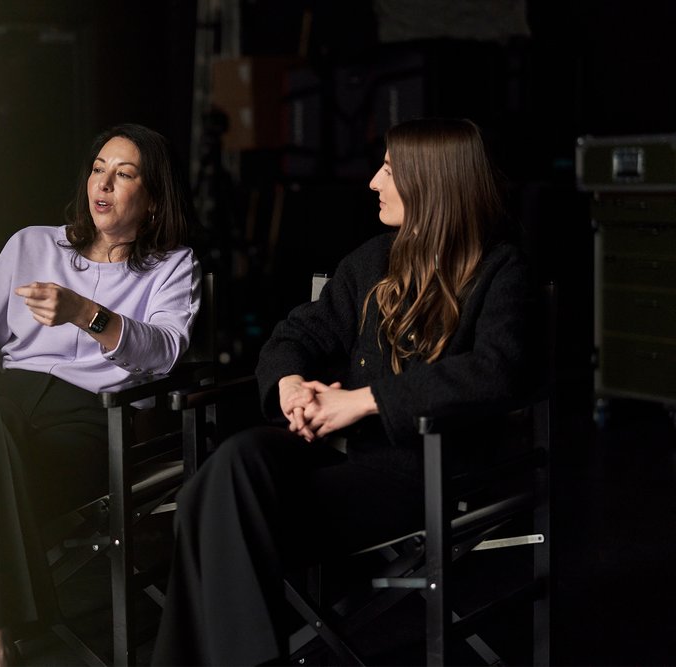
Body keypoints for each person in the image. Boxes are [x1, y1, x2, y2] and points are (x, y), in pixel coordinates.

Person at [151, 118, 534, 666]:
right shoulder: (374, 258)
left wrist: (362, 400)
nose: (374, 182)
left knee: (204, 504)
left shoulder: (500, 269)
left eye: (389, 169)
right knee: (234, 463)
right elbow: (294, 334)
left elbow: (497, 371)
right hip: (342, 456)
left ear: (432, 181)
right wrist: (290, 387)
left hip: (422, 472)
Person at [0, 123, 201, 667]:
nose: (102, 182)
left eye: (124, 174)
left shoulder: (172, 266)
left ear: (153, 202)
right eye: (98, 168)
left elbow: (166, 353)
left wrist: (86, 314)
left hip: (92, 422)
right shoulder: (33, 244)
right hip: (6, 404)